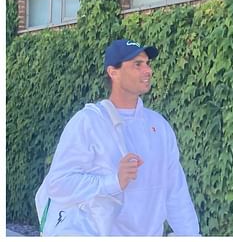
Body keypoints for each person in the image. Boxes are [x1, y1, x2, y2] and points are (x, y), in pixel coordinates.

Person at [35, 39, 200, 236]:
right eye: (137, 65)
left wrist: (190, 235)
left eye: (147, 64)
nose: (148, 71)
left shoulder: (160, 126)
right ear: (113, 72)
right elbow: (58, 183)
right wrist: (113, 181)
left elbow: (176, 192)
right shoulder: (89, 122)